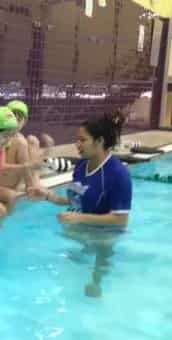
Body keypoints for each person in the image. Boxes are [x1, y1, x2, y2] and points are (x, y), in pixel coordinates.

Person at [45, 113, 132, 297]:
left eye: (82, 140)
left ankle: (97, 281)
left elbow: (121, 220)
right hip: (80, 227)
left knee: (99, 256)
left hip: (105, 232)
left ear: (99, 141)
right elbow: (79, 199)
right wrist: (49, 197)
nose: (77, 144)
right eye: (77, 139)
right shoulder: (82, 165)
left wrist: (78, 218)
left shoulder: (118, 174)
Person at [0, 100, 54, 199]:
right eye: (13, 118)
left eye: (19, 119)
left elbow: (35, 163)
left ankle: (34, 182)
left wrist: (47, 150)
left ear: (24, 122)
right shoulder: (3, 136)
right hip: (2, 183)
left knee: (32, 140)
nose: (16, 123)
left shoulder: (19, 138)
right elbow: (2, 166)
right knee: (21, 142)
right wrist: (27, 166)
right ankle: (32, 184)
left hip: (15, 181)